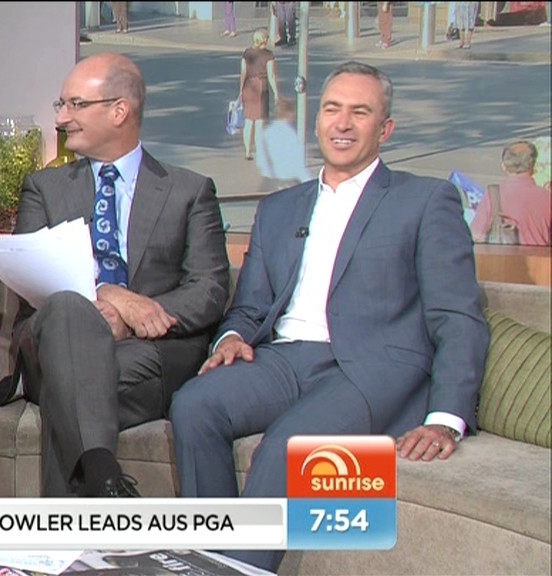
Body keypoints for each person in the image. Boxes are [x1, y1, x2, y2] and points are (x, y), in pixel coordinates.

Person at [170, 61, 490, 572]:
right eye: (332, 109)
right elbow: (250, 307)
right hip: (284, 359)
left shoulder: (426, 200)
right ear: (317, 121)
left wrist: (446, 419)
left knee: (289, 447)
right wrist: (230, 336)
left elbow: (458, 316)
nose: (342, 123)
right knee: (194, 405)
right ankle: (207, 560)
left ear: (385, 128)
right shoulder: (279, 209)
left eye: (360, 112)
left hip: (373, 368)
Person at [0, 53, 230, 497]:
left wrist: (139, 318)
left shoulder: (189, 191)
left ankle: (89, 495)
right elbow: (32, 273)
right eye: (61, 105)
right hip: (54, 337)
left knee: (72, 385)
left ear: (119, 110)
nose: (61, 119)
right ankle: (103, 480)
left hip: (148, 352)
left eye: (75, 105)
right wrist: (111, 295)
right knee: (67, 314)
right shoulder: (44, 188)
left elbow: (210, 288)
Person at [471, 140, 551, 246]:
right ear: (533, 166)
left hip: (504, 255)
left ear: (504, 166)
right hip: (541, 256)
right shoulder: (547, 197)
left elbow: (476, 235)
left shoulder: (493, 196)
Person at [240, 28, 279, 161]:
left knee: (248, 121)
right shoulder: (268, 55)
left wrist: (241, 90)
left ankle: (247, 151)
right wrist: (276, 93)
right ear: (264, 40)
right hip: (261, 87)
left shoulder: (247, 53)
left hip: (248, 86)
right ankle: (259, 151)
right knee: (259, 122)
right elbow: (271, 75)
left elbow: (243, 72)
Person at [255, 97, 311, 190]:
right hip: (288, 182)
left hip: (268, 182)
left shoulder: (266, 132)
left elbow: (260, 161)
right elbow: (298, 165)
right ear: (289, 113)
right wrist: (309, 183)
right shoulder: (290, 134)